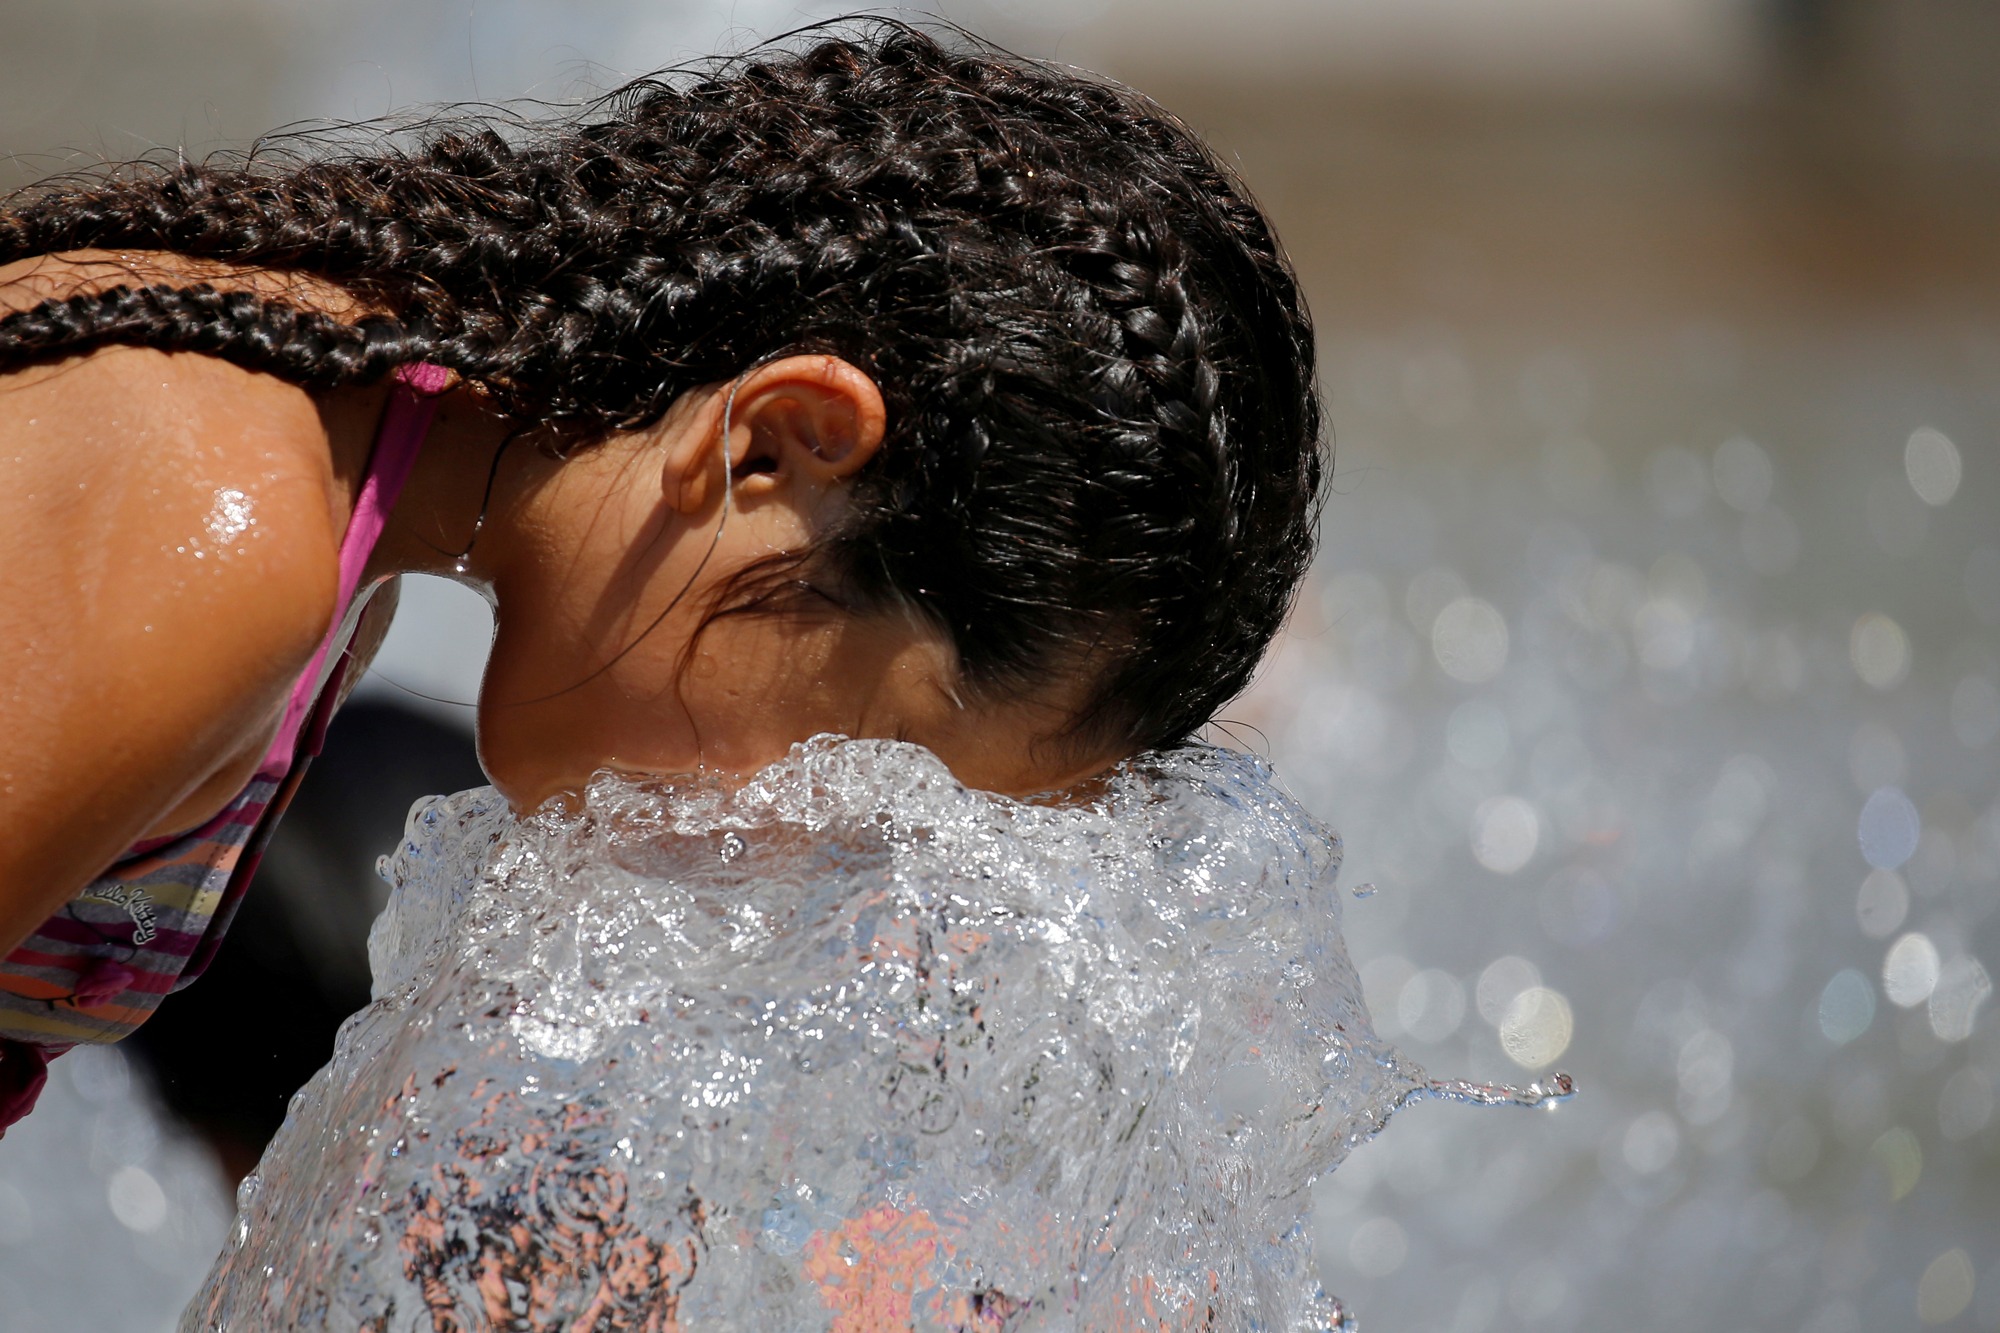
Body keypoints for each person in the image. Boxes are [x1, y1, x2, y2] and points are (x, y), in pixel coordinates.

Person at [0, 23, 1322, 1131]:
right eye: (852, 774)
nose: (770, 860)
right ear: (772, 450)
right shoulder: (225, 530)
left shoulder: (323, 515)